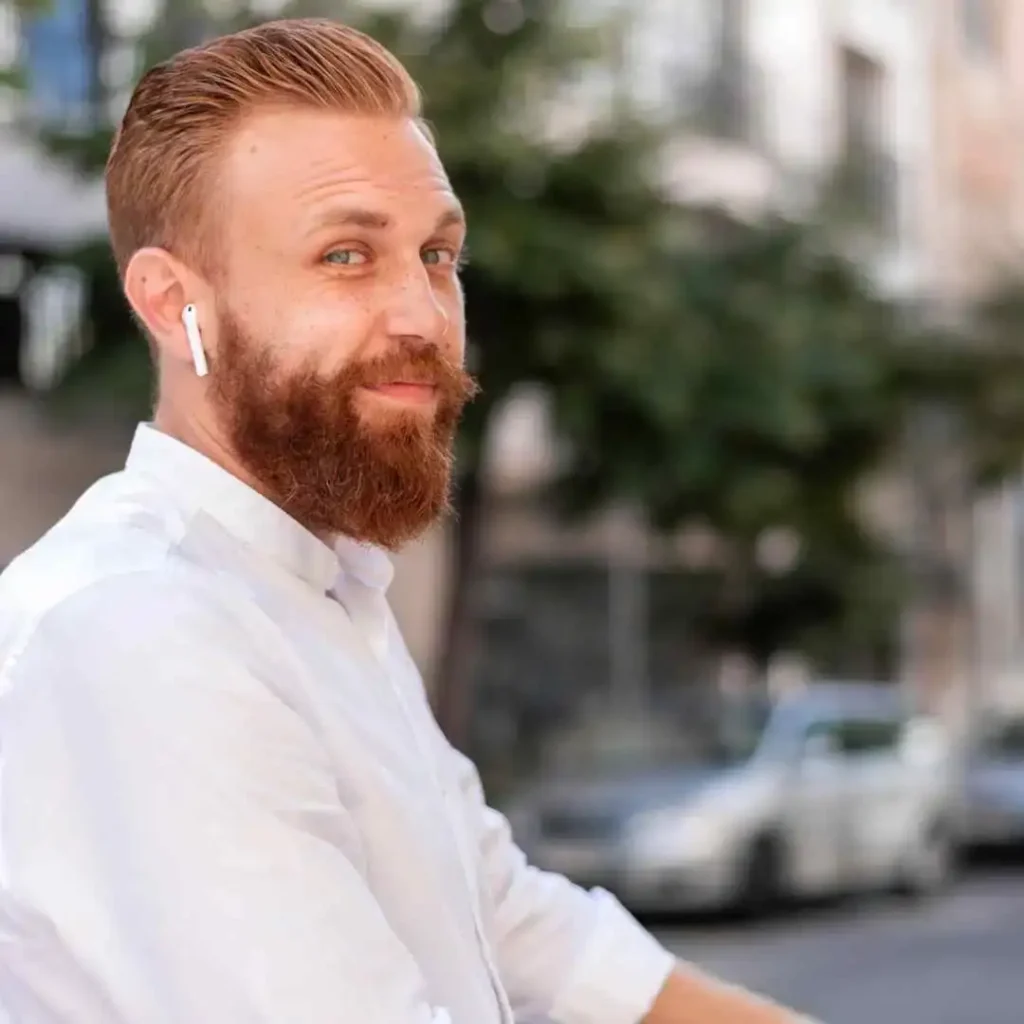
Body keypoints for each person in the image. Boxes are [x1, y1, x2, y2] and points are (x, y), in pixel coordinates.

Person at [0, 19, 814, 1024]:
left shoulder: (319, 591)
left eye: (436, 253)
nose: (424, 317)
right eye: (345, 254)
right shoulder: (140, 631)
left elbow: (515, 924)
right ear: (176, 307)